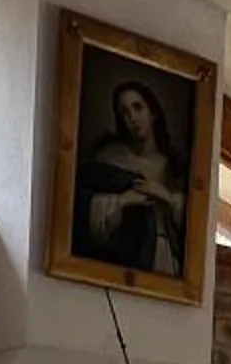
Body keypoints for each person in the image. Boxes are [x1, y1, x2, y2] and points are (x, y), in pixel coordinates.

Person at [78, 79, 187, 275]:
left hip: (163, 258)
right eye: (124, 112)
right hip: (124, 259)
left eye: (138, 108)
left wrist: (167, 198)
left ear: (153, 113)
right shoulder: (110, 158)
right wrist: (122, 202)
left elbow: (192, 227)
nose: (132, 118)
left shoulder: (172, 165)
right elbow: (83, 211)